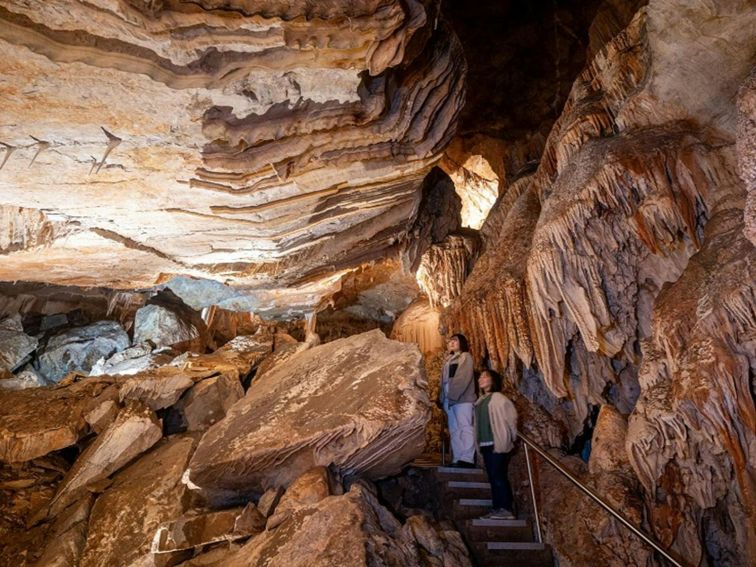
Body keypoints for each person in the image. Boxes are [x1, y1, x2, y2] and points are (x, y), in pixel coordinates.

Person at [475, 369, 518, 520]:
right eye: (480, 376)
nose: (481, 379)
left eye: (485, 376)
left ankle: (505, 508)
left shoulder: (500, 398)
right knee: (493, 477)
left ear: (493, 380)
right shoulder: (480, 401)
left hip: (498, 442)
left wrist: (511, 438)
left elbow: (512, 419)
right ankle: (497, 508)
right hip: (486, 443)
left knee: (498, 476)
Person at [439, 333, 476, 467]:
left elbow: (463, 378)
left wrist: (453, 396)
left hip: (462, 399)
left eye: (455, 340)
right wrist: (442, 398)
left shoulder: (465, 357)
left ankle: (467, 458)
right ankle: (457, 457)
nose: (452, 343)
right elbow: (444, 383)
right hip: (450, 400)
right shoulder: (449, 360)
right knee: (454, 430)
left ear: (462, 342)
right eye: (450, 341)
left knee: (465, 427)